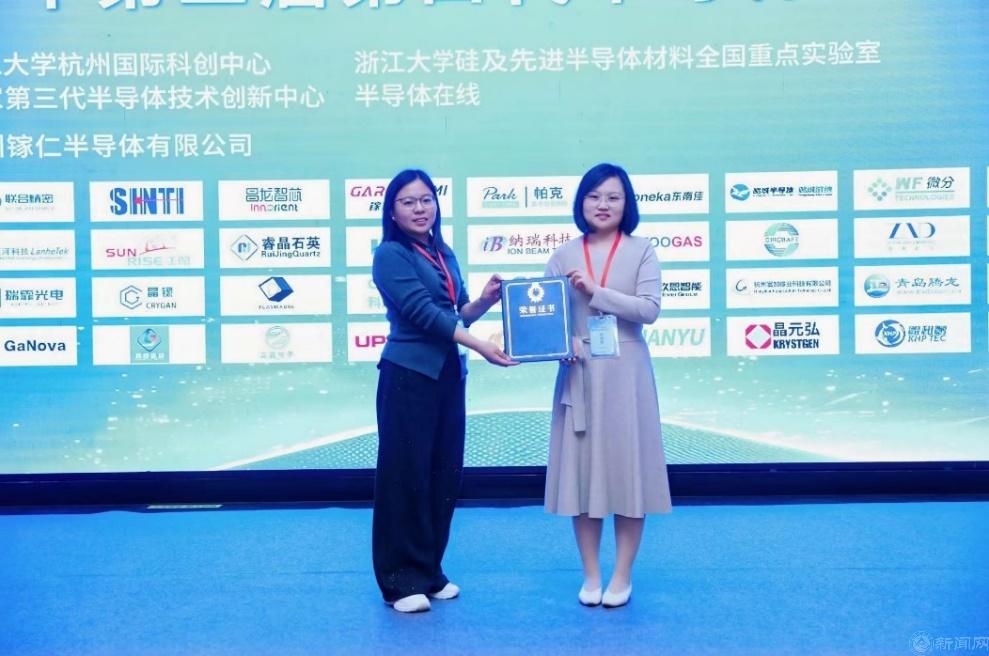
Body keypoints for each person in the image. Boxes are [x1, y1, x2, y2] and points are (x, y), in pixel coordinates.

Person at [371, 168, 516, 613]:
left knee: (442, 475)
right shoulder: (390, 255)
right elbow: (424, 315)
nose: (420, 208)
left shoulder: (442, 251)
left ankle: (429, 571)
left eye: (426, 199)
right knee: (405, 477)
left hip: (448, 376)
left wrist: (484, 302)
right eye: (408, 202)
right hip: (408, 376)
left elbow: (455, 314)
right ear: (392, 212)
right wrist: (481, 346)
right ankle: (399, 582)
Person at [544, 163, 672, 609]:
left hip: (626, 373)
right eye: (594, 196)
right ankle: (591, 574)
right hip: (579, 371)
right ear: (581, 202)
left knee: (628, 473)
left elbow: (649, 310)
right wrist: (560, 345)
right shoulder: (563, 254)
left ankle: (622, 575)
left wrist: (596, 291)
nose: (603, 204)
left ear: (626, 203)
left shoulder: (642, 250)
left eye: (613, 197)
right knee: (581, 478)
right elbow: (548, 318)